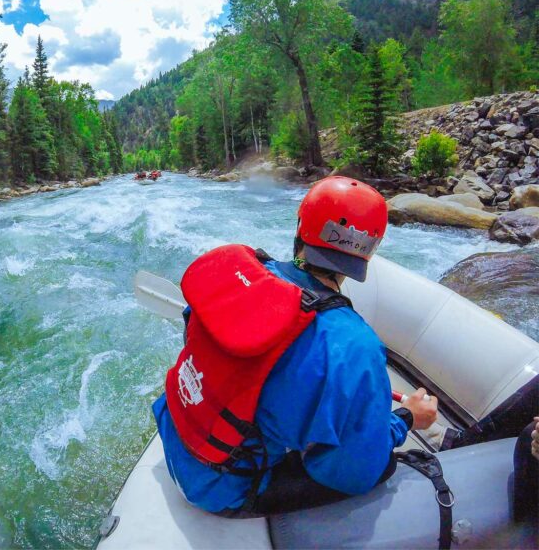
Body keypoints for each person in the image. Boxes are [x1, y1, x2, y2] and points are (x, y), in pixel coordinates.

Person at [152, 176, 439, 517]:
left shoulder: (236, 277)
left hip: (175, 434)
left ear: (302, 225)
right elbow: (352, 470)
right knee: (383, 467)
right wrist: (405, 419)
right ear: (370, 249)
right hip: (221, 489)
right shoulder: (353, 347)